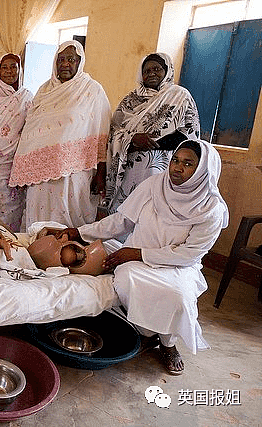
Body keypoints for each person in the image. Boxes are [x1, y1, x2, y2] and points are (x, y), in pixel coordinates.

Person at [59, 139, 228, 375]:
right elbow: (121, 221)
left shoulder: (211, 209)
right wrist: (79, 231)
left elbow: (189, 253)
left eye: (188, 164)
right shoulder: (154, 185)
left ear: (203, 171)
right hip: (136, 260)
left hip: (177, 266)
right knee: (127, 276)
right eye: (176, 161)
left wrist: (137, 253)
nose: (177, 168)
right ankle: (146, 333)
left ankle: (168, 345)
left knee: (179, 296)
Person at [9, 40, 111, 229]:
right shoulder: (44, 90)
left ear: (80, 61)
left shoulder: (93, 90)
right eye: (61, 59)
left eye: (71, 59)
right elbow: (30, 130)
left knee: (67, 224)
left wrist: (101, 173)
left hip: (74, 173)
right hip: (39, 175)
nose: (65, 64)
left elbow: (102, 134)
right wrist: (23, 168)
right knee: (38, 221)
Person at [102, 52, 200, 216]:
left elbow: (190, 135)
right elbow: (114, 132)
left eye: (157, 69)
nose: (151, 73)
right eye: (146, 71)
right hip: (129, 168)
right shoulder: (129, 100)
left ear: (167, 71)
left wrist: (152, 143)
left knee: (153, 212)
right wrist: (132, 140)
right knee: (126, 213)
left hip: (161, 167)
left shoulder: (179, 96)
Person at [0, 53, 33, 232]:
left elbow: (30, 129)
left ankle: (9, 243)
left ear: (20, 70)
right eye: (5, 67)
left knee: (13, 207)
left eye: (13, 67)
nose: (9, 71)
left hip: (15, 163)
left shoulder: (26, 96)